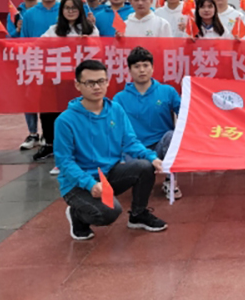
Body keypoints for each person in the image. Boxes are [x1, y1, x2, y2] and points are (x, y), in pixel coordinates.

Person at [55, 60, 167, 240]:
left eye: (101, 81)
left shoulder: (115, 110)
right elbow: (64, 162)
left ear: (107, 82)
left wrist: (152, 157)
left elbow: (130, 142)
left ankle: (138, 215)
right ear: (78, 85)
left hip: (108, 174)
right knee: (109, 212)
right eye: (90, 83)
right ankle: (77, 215)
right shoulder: (65, 121)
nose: (96, 87)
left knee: (145, 166)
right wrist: (89, 184)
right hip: (78, 183)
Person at [40, 0, 99, 174]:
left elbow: (98, 53)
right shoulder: (54, 30)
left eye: (74, 8)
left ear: (80, 10)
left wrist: (88, 42)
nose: (71, 11)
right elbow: (39, 46)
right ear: (62, 10)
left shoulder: (90, 29)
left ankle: (86, 157)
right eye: (67, 8)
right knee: (62, 121)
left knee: (84, 119)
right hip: (61, 83)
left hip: (84, 83)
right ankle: (63, 160)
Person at [114, 47, 182, 200]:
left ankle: (170, 181)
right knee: (139, 181)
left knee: (172, 136)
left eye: (145, 65)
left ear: (152, 68)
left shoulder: (167, 91)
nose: (142, 70)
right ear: (129, 70)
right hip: (134, 149)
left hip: (160, 145)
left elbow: (186, 113)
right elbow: (114, 129)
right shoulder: (120, 98)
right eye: (137, 66)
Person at [20, 0, 62, 163]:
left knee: (63, 105)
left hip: (63, 66)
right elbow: (25, 41)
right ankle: (48, 142)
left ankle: (64, 141)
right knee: (45, 105)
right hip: (41, 66)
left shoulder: (64, 10)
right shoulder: (29, 15)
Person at [10, 0, 41, 152]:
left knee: (47, 97)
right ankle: (33, 133)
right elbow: (8, 38)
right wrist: (17, 30)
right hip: (27, 60)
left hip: (48, 59)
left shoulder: (46, 10)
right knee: (29, 98)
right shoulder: (15, 13)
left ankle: (47, 134)